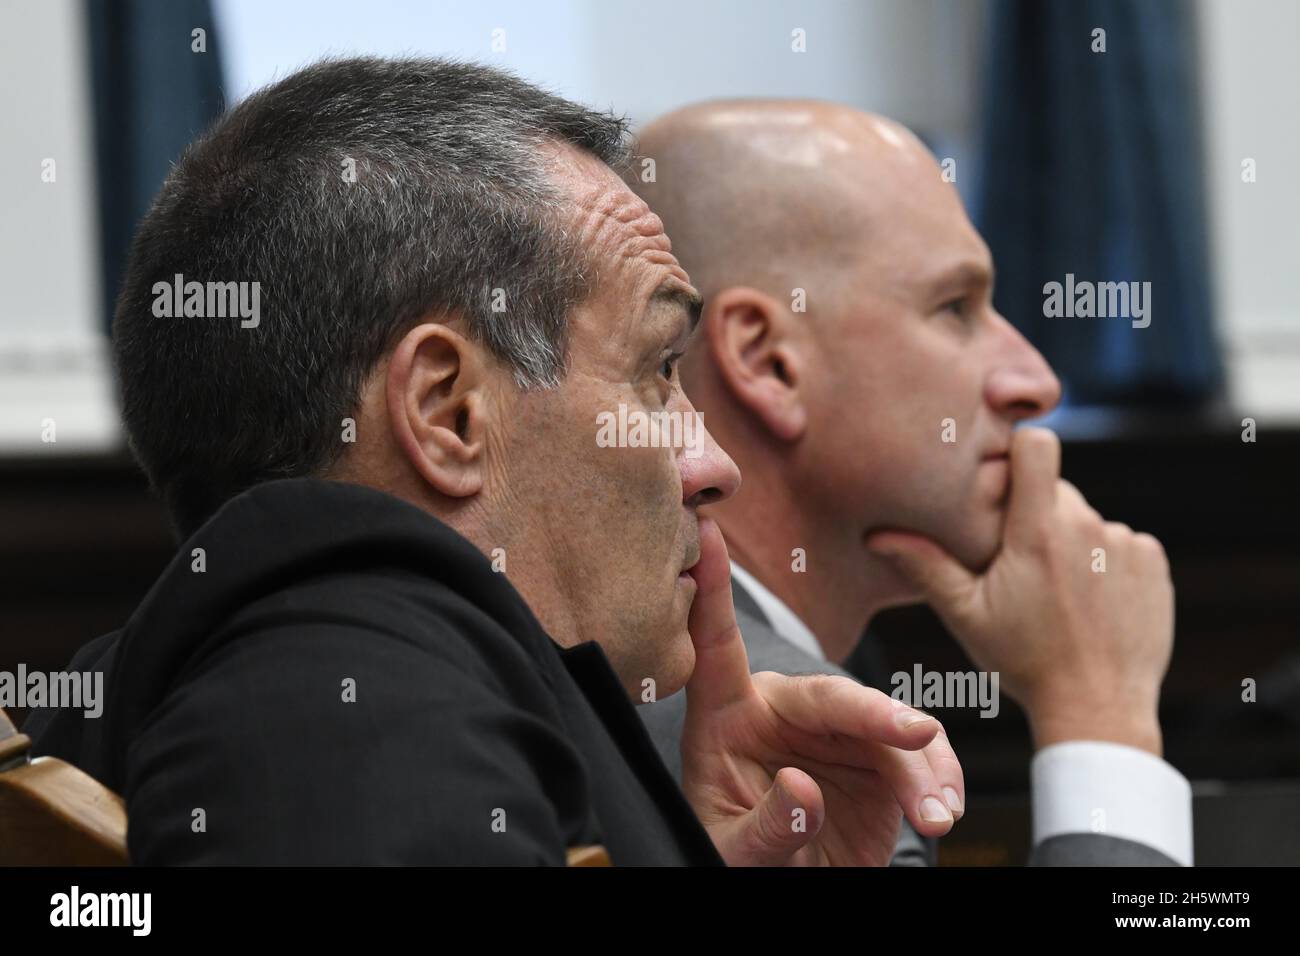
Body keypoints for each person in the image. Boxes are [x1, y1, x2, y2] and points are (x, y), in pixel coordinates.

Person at [24, 61, 965, 866]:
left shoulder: (335, 686)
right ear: (448, 412)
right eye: (658, 370)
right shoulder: (351, 728)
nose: (712, 464)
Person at [632, 100, 1191, 866]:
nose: (1037, 382)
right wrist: (1101, 719)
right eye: (955, 307)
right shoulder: (790, 743)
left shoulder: (808, 666)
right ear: (768, 362)